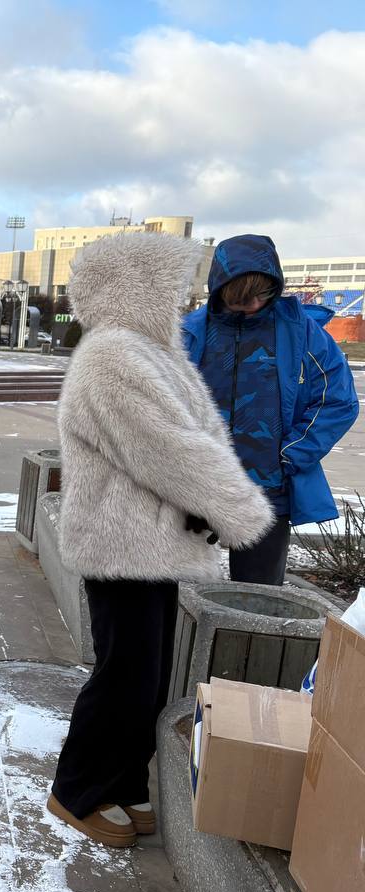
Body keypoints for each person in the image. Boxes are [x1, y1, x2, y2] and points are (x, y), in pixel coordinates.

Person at [47, 231, 273, 848]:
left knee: (149, 672)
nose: (183, 295)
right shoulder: (113, 356)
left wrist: (205, 509)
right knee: (125, 673)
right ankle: (78, 789)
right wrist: (235, 508)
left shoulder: (151, 351)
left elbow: (191, 435)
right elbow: (169, 450)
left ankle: (121, 781)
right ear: (136, 285)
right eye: (169, 283)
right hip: (122, 546)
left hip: (155, 542)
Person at [184, 235, 359, 585]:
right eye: (241, 296)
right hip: (197, 487)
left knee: (258, 601)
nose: (252, 304)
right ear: (221, 287)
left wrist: (291, 454)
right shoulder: (189, 333)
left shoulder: (300, 333)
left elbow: (337, 399)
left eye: (261, 294)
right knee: (177, 592)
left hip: (266, 493)